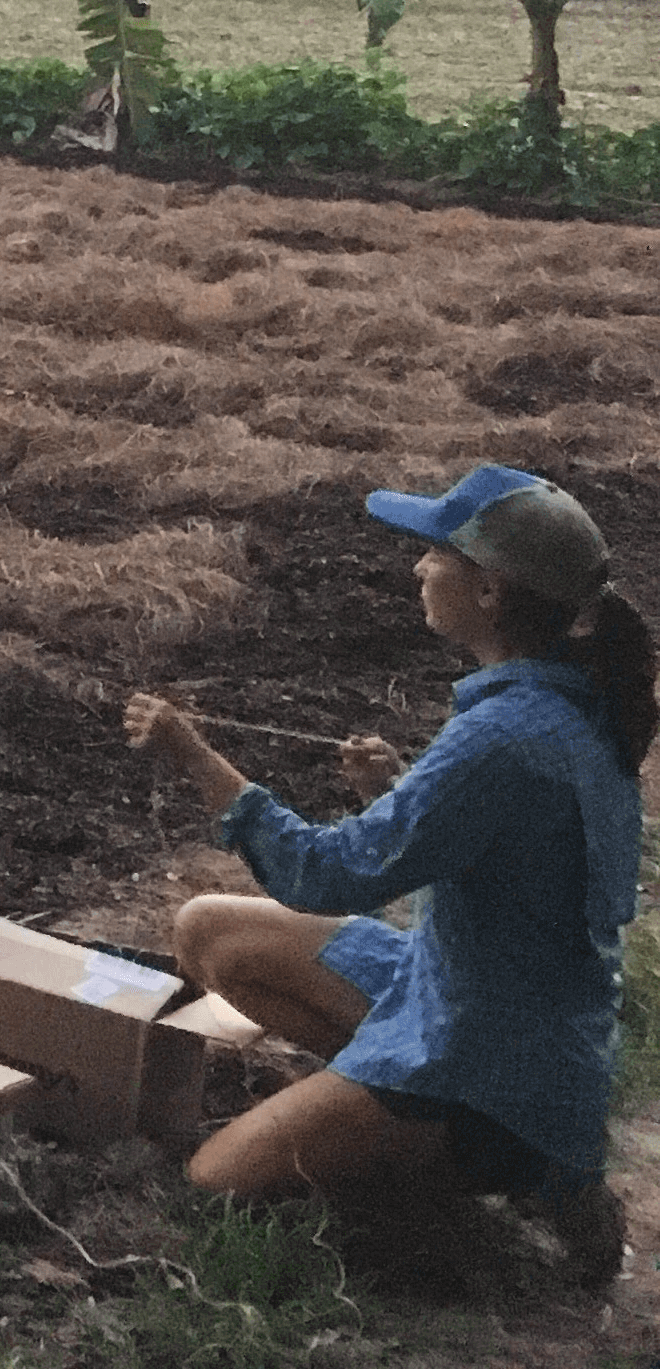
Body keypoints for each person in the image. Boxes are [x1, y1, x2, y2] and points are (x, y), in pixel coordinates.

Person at [124, 465, 656, 1285]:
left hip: (485, 1065)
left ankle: (468, 1167)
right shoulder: (567, 705)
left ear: (489, 591)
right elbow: (508, 851)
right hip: (475, 996)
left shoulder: (500, 739)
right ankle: (384, 1121)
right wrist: (396, 786)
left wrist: (191, 756)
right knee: (206, 930)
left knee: (213, 1178)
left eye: (435, 552)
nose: (417, 567)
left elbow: (320, 872)